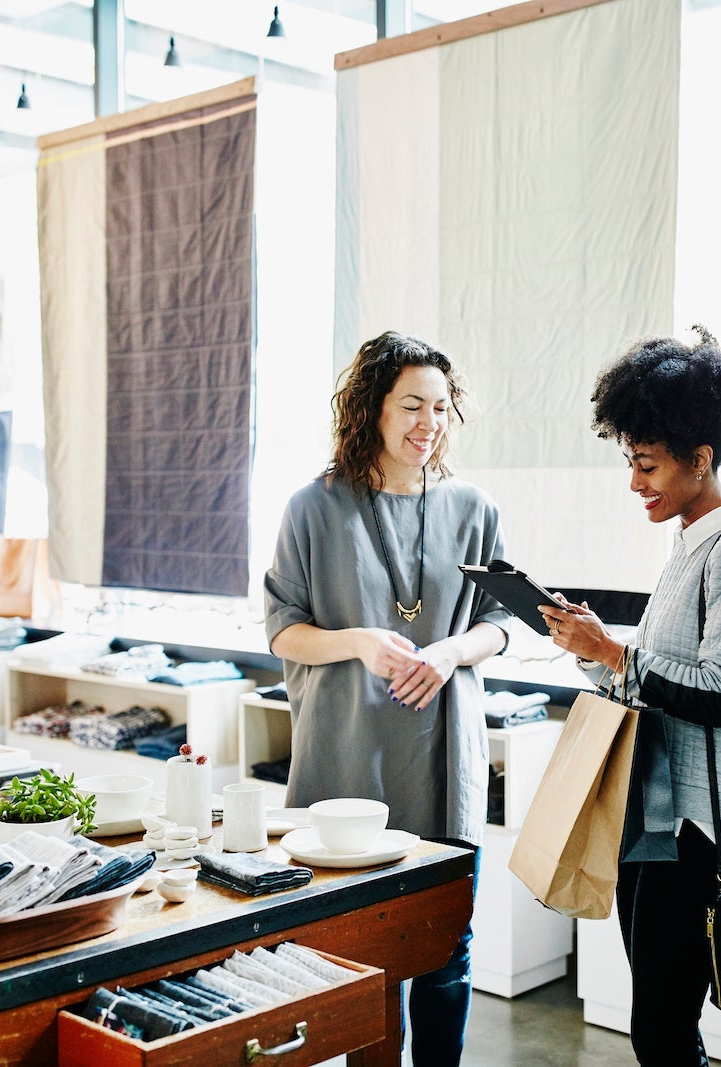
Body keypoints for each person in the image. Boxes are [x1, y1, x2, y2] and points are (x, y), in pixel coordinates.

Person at [540, 325, 721, 1066]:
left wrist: (612, 650)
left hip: (698, 831)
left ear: (701, 457)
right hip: (656, 818)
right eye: (631, 462)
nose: (634, 482)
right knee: (659, 1026)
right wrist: (589, 652)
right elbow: (656, 679)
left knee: (662, 1029)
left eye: (646, 464)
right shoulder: (690, 543)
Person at [264, 330, 513, 1066]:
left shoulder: (473, 507)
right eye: (411, 404)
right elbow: (281, 630)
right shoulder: (314, 507)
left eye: (440, 407)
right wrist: (358, 642)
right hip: (348, 759)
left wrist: (448, 650)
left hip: (441, 758)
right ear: (372, 408)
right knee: (354, 955)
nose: (427, 423)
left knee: (446, 950)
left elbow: (502, 623)